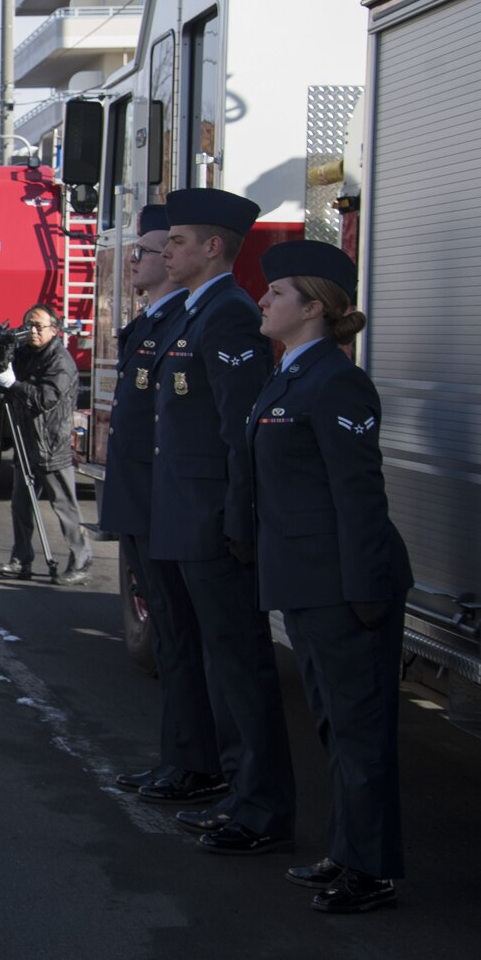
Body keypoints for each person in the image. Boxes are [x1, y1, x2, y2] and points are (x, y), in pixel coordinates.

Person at [245, 241, 411, 914]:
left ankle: (371, 870)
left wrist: (366, 587)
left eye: (277, 292)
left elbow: (360, 495)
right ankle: (347, 853)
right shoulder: (290, 373)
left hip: (345, 587)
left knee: (360, 731)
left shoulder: (337, 381)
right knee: (336, 730)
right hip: (307, 583)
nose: (262, 300)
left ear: (314, 307)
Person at [151, 186, 296, 854]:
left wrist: (238, 517)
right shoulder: (195, 313)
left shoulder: (231, 317)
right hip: (186, 514)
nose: (166, 249)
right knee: (214, 662)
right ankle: (240, 795)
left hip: (212, 520)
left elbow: (242, 430)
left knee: (239, 667)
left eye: (178, 240)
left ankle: (260, 806)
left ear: (214, 247)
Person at [98, 207, 225, 805]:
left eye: (150, 250)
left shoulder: (185, 320)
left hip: (161, 501)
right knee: (170, 638)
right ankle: (180, 758)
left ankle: (194, 762)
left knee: (181, 637)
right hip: (142, 499)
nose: (140, 259)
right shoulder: (155, 321)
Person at [0, 303, 94, 582]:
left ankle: (81, 560)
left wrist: (12, 384)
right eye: (28, 325)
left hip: (51, 442)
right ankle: (21, 559)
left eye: (38, 326)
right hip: (25, 440)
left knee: (64, 505)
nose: (32, 331)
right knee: (20, 504)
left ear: (55, 330)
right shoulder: (24, 353)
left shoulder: (60, 361)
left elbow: (46, 398)